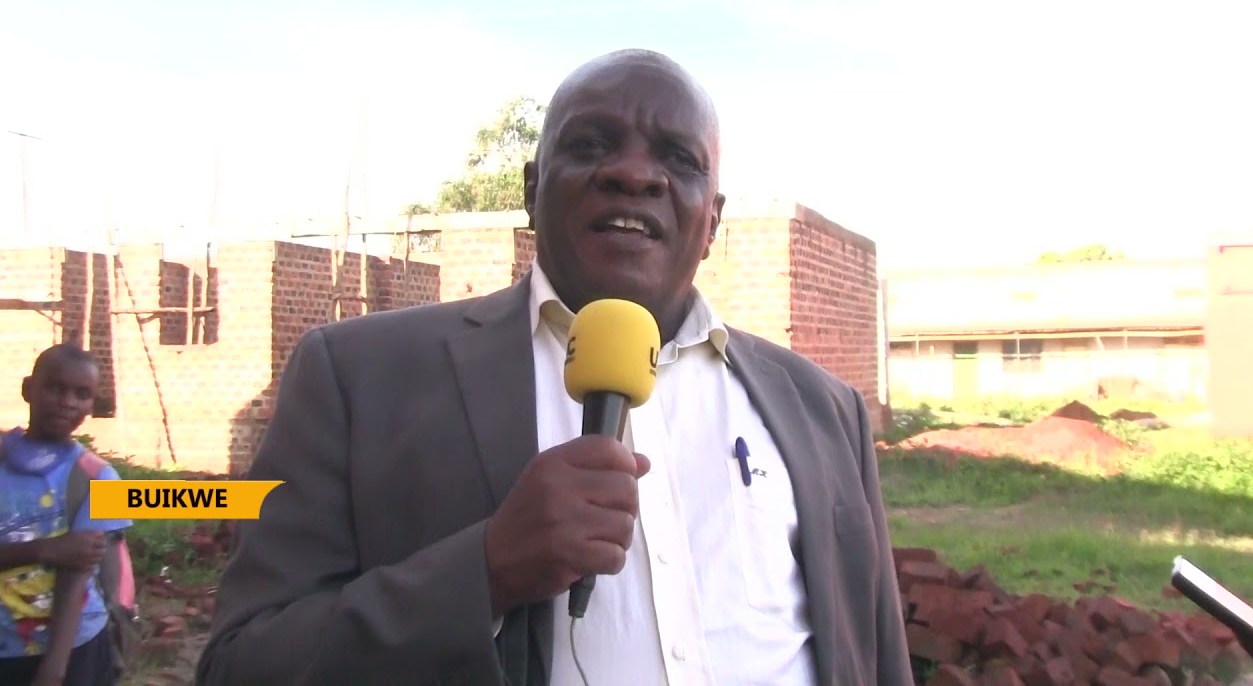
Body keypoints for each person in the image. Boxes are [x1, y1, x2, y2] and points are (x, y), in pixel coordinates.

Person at [197, 49, 912, 686]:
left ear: (713, 219)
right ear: (534, 189)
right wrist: (486, 571)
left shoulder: (826, 413)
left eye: (677, 158)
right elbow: (242, 663)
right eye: (592, 144)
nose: (634, 172)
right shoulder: (359, 377)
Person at [0, 344, 132, 686]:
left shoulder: (99, 477)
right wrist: (47, 550)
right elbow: (64, 555)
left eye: (82, 394)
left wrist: (53, 672)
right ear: (29, 389)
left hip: (76, 649)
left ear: (93, 403)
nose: (68, 402)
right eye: (55, 388)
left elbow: (76, 579)